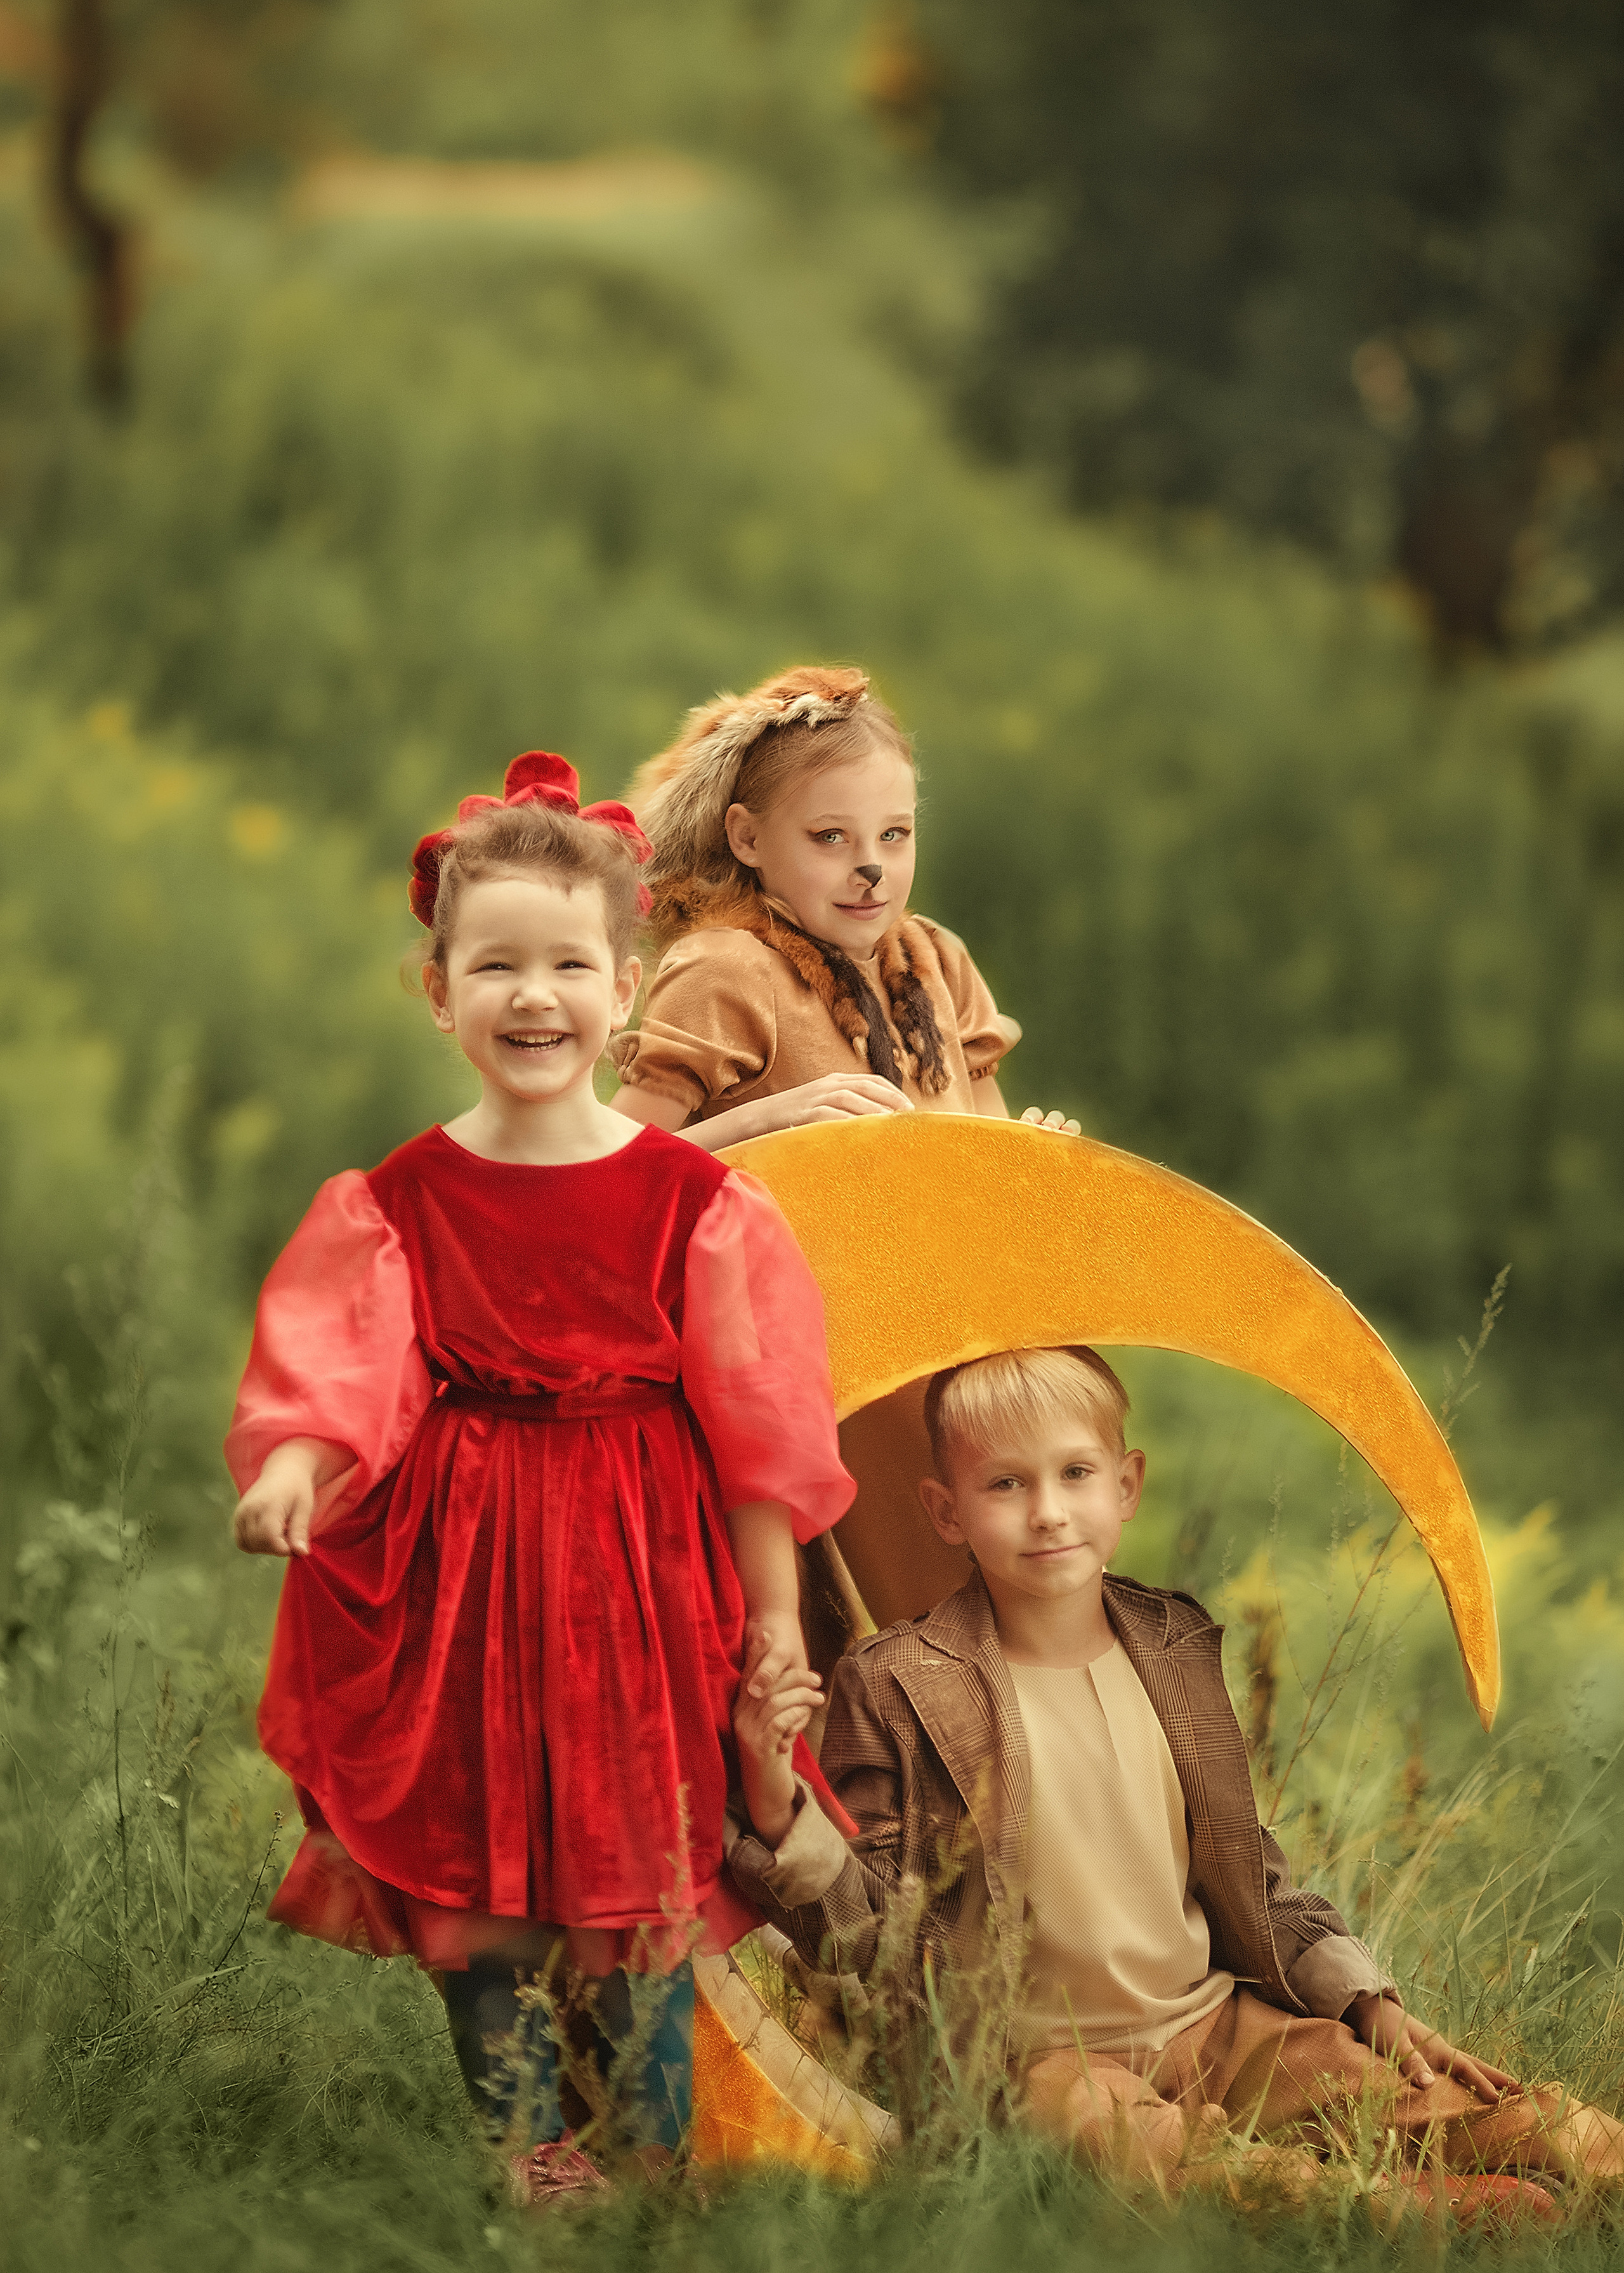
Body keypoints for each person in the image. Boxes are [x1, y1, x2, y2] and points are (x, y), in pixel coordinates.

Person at [226, 751, 854, 2194]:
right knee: (479, 1873)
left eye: (567, 962)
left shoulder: (691, 1201)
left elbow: (759, 1428)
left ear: (622, 984)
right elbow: (351, 1356)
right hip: (466, 1583)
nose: (531, 995)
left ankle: (651, 2148)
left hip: (639, 1577)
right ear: (435, 988)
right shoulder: (398, 1198)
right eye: (492, 963)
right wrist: (300, 1460)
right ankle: (528, 2149)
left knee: (641, 1869)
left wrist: (769, 1618)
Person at [728, 1345, 1624, 2215]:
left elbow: (1249, 1872)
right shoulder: (896, 1679)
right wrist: (778, 1807)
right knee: (1113, 2138)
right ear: (945, 1508)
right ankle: (1383, 2207)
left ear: (1126, 1487)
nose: (1048, 1511)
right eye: (1006, 1483)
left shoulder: (1173, 1644)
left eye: (1075, 1473)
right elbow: (868, 1937)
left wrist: (1364, 2001)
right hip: (1038, 2058)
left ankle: (1572, 2147)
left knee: (1391, 2088)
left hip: (1216, 2027)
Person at [608, 664, 1078, 1149]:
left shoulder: (937, 960)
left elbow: (986, 1155)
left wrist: (1027, 1156)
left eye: (893, 834)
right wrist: (767, 1120)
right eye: (830, 836)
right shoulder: (724, 970)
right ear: (747, 837)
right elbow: (611, 1162)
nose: (871, 868)